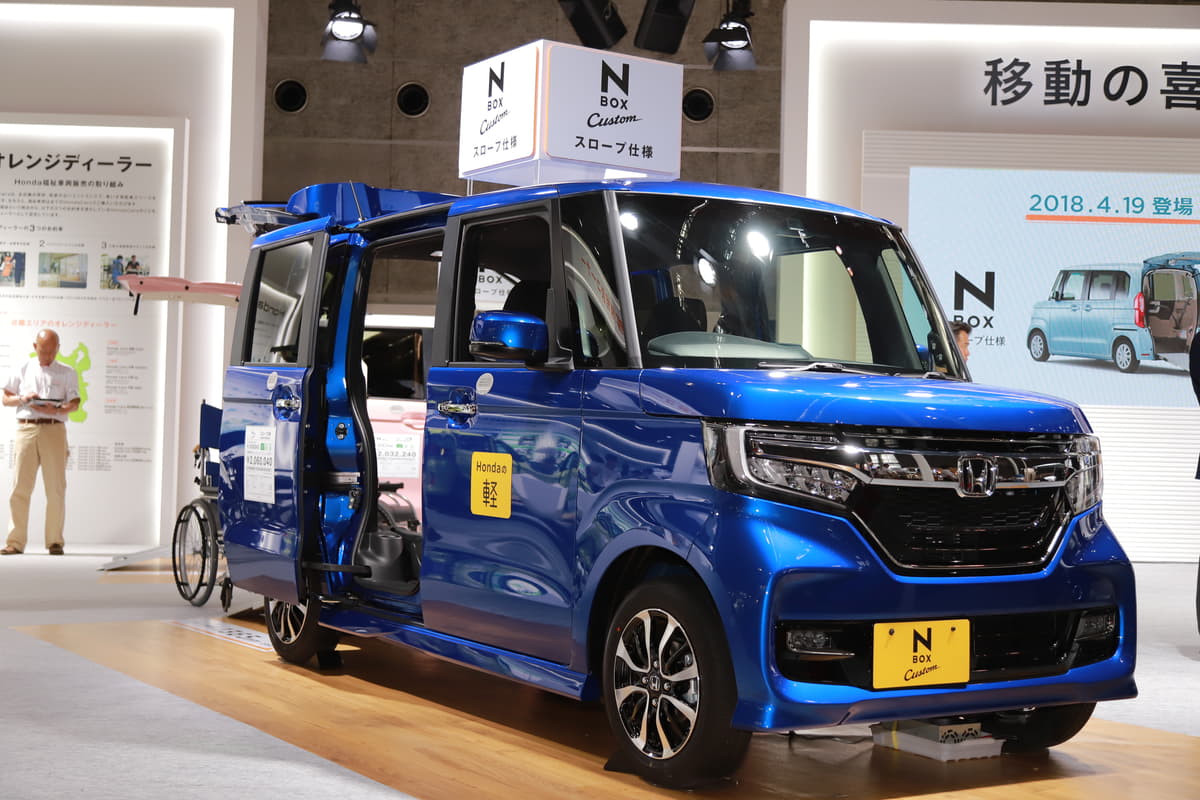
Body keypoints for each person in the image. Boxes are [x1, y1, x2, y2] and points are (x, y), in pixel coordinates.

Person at [2, 329, 81, 555]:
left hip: (54, 429)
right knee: (20, 487)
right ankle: (15, 542)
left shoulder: (67, 372)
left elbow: (74, 403)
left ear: (58, 349)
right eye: (43, 351)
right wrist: (23, 398)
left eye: (52, 351)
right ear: (35, 347)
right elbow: (5, 399)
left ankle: (55, 541)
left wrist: (56, 409)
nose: (47, 355)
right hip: (26, 428)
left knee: (56, 488)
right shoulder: (22, 368)